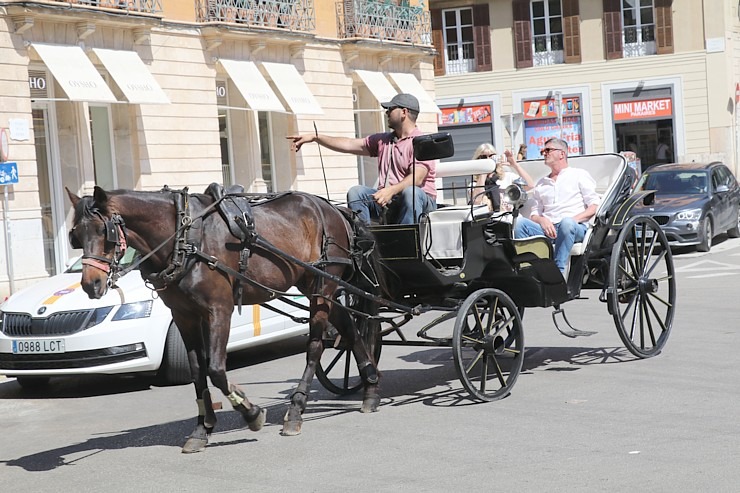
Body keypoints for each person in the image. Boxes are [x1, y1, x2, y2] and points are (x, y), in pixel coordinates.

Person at [287, 93, 436, 224]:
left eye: (390, 109)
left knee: (411, 193)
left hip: (419, 203)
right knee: (356, 192)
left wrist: (390, 190)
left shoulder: (422, 141)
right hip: (389, 201)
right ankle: (366, 244)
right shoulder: (383, 140)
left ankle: (407, 245)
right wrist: (315, 137)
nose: (386, 112)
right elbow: (349, 143)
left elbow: (417, 178)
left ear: (404, 112)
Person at [513, 137, 601, 275]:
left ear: (562, 154)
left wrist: (573, 219)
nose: (544, 153)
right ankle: (530, 269)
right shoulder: (542, 183)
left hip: (573, 227)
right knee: (519, 223)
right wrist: (542, 220)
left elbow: (595, 206)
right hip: (548, 229)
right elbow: (534, 213)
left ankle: (558, 273)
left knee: (566, 223)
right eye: (543, 151)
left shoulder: (579, 175)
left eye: (548, 150)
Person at [470, 143, 535, 213]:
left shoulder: (507, 177)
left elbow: (530, 185)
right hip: (488, 221)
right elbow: (476, 202)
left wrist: (515, 165)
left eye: (492, 156)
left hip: (509, 219)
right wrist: (484, 172)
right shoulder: (474, 184)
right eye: (483, 157)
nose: (488, 160)